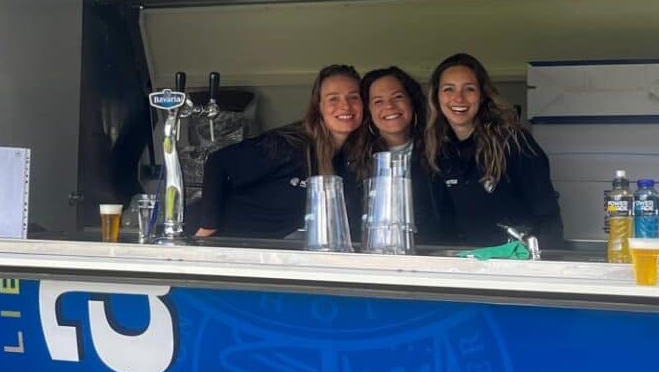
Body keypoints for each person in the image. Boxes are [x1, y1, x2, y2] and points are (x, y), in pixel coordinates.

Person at [194, 65, 366, 240]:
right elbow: (218, 163)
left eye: (353, 97)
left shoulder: (347, 161)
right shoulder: (289, 145)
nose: (345, 106)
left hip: (251, 247)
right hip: (210, 237)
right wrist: (207, 228)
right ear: (318, 106)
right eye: (333, 98)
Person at [423, 52, 563, 248]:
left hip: (516, 261)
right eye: (449, 89)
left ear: (482, 96)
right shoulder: (438, 150)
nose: (458, 98)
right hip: (466, 261)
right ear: (436, 96)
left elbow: (549, 223)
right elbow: (444, 225)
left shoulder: (513, 142)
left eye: (469, 89)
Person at [358, 66, 441, 242]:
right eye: (378, 101)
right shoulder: (353, 159)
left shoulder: (440, 151)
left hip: (431, 251)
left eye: (398, 97)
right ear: (368, 111)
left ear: (412, 101)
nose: (389, 106)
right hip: (371, 253)